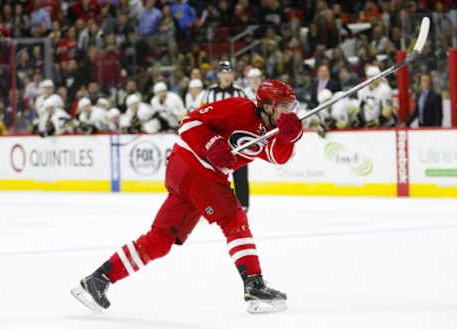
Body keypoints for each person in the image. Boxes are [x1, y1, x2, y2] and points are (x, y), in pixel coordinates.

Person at [71, 79, 304, 314]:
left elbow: (277, 157)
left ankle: (98, 279)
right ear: (267, 104)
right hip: (194, 164)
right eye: (284, 106)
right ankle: (254, 285)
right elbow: (189, 122)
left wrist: (287, 137)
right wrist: (210, 142)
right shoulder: (239, 107)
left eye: (290, 106)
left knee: (160, 240)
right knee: (234, 220)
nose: (288, 111)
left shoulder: (272, 129)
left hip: (191, 175)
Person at [202, 61, 250, 211]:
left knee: (240, 170)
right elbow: (203, 113)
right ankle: (213, 203)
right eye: (223, 72)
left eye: (229, 72)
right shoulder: (210, 93)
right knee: (212, 173)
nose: (226, 76)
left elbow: (248, 113)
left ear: (233, 75)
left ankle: (243, 204)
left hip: (236, 138)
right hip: (216, 138)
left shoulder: (240, 92)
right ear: (218, 75)